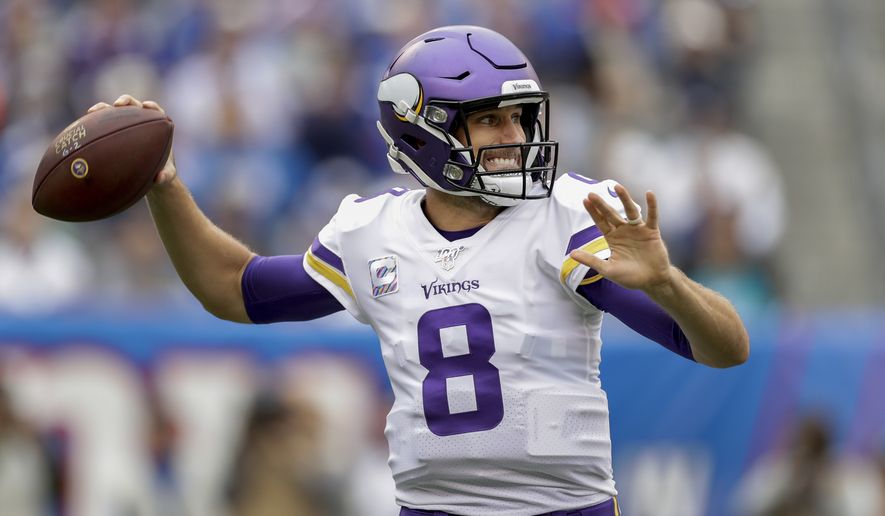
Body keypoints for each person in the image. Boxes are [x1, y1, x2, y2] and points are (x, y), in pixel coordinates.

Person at [89, 25, 748, 516]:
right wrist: (165, 185)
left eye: (519, 118)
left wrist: (666, 283)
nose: (514, 137)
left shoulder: (568, 215)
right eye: (489, 120)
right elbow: (235, 289)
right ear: (420, 130)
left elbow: (723, 349)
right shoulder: (372, 231)